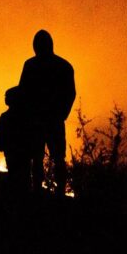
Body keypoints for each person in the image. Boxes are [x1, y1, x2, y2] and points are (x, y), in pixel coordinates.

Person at [19, 30, 76, 197]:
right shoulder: (64, 66)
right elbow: (70, 94)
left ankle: (38, 191)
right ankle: (58, 193)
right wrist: (61, 114)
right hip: (51, 120)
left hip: (39, 119)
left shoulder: (30, 65)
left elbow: (23, 91)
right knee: (56, 158)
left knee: (39, 158)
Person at [0, 86, 34, 197]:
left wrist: (1, 144)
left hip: (12, 152)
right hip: (22, 152)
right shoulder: (26, 116)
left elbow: (0, 133)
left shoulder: (6, 117)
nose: (5, 98)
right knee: (24, 177)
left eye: (7, 96)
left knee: (15, 176)